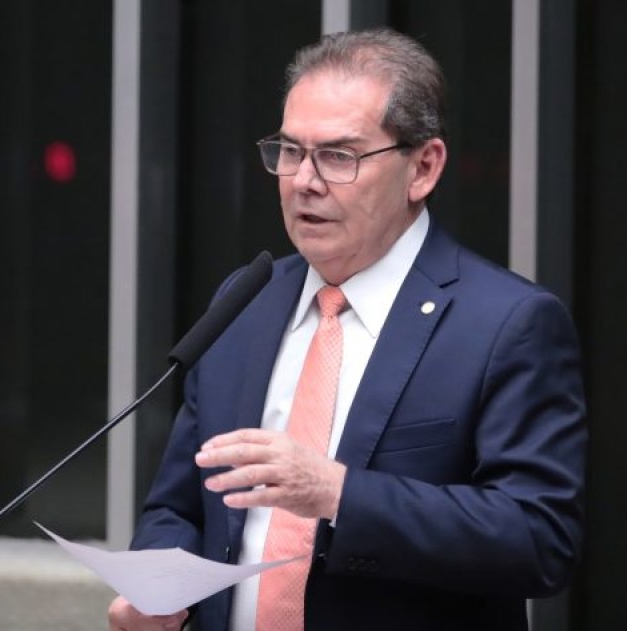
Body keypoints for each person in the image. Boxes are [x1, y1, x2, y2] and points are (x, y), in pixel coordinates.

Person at [108, 27, 586, 631]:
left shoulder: (507, 323)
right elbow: (179, 507)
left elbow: (539, 540)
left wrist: (340, 493)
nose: (304, 181)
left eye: (339, 156)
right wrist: (157, 587)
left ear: (423, 168)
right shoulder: (245, 302)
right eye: (290, 151)